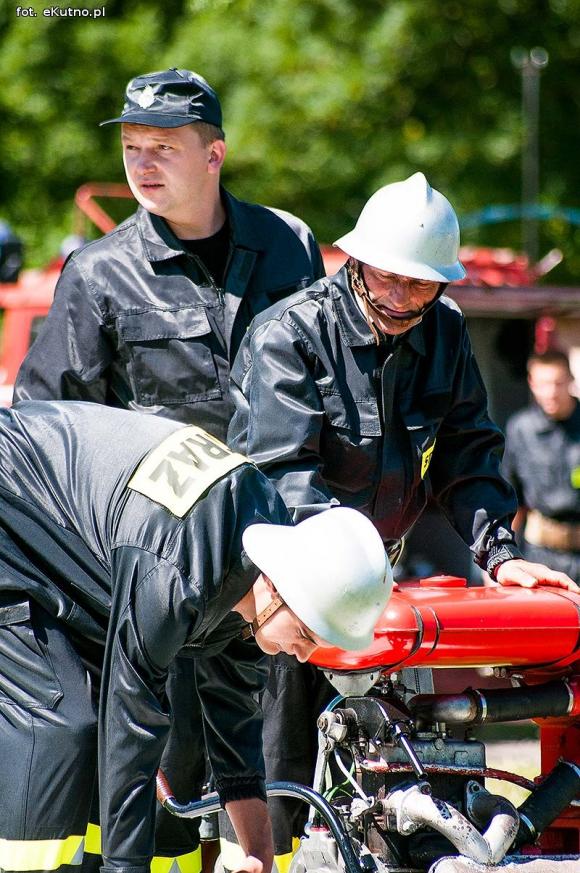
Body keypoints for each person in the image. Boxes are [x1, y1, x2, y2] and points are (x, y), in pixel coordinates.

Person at [13, 68, 325, 873]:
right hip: (143, 571)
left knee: (279, 775)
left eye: (163, 147)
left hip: (271, 565)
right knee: (156, 792)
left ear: (214, 154)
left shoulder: (287, 247)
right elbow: (47, 432)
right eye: (130, 147)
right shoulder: (99, 274)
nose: (141, 165)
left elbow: (326, 384)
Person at [227, 172, 578, 864]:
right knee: (282, 773)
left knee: (401, 758)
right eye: (384, 278)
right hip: (284, 591)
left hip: (377, 591)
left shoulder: (444, 334)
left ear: (442, 285)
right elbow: (284, 477)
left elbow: (468, 454)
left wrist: (501, 553)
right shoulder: (289, 338)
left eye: (417, 285)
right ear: (355, 261)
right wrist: (345, 583)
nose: (396, 298)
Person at [0, 400, 392, 873]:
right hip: (14, 511)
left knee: (116, 748)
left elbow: (234, 712)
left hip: (69, 542)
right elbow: (132, 719)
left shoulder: (260, 550)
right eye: (307, 633)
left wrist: (256, 851)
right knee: (58, 730)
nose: (305, 656)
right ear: (277, 587)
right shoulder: (178, 572)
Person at [503, 349, 580, 581]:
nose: (551, 393)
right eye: (544, 384)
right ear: (531, 383)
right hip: (540, 557)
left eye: (558, 383)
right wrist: (501, 560)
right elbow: (511, 501)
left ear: (570, 380)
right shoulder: (520, 429)